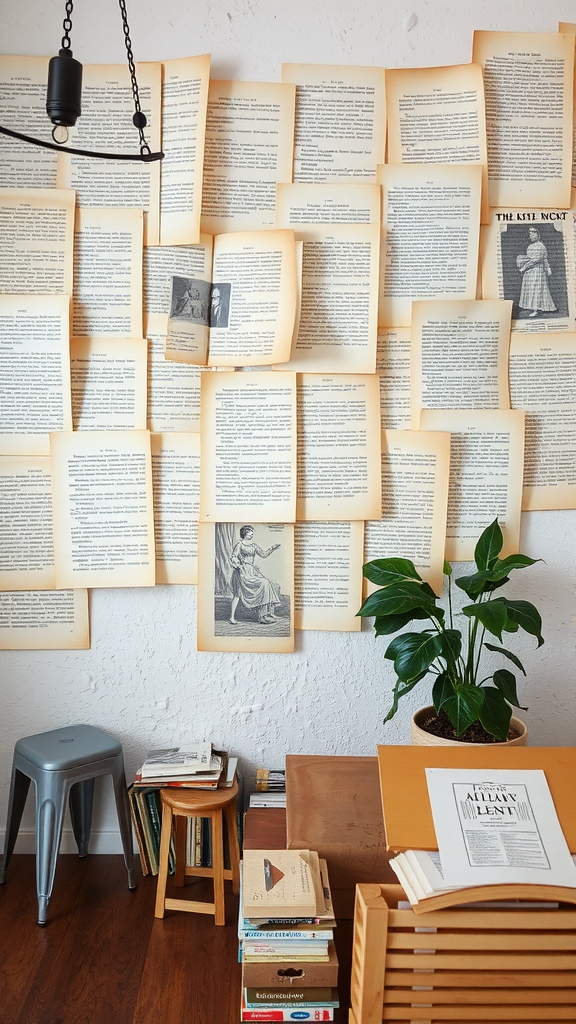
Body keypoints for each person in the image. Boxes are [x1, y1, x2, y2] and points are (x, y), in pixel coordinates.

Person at [229, 526, 281, 624]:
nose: (252, 534)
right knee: (237, 595)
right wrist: (238, 565)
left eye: (252, 533)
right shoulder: (240, 544)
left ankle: (265, 614)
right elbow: (233, 557)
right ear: (245, 533)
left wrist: (272, 548)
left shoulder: (253, 545)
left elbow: (263, 554)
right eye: (250, 533)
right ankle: (232, 617)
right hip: (242, 572)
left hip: (252, 571)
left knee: (266, 583)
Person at [517, 227, 556, 318]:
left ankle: (537, 309)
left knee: (537, 289)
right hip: (530, 272)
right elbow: (529, 258)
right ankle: (532, 307)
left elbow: (536, 260)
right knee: (531, 290)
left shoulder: (540, 246)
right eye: (530, 234)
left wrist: (523, 268)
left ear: (538, 235)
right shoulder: (530, 246)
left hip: (537, 271)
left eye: (533, 234)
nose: (531, 235)